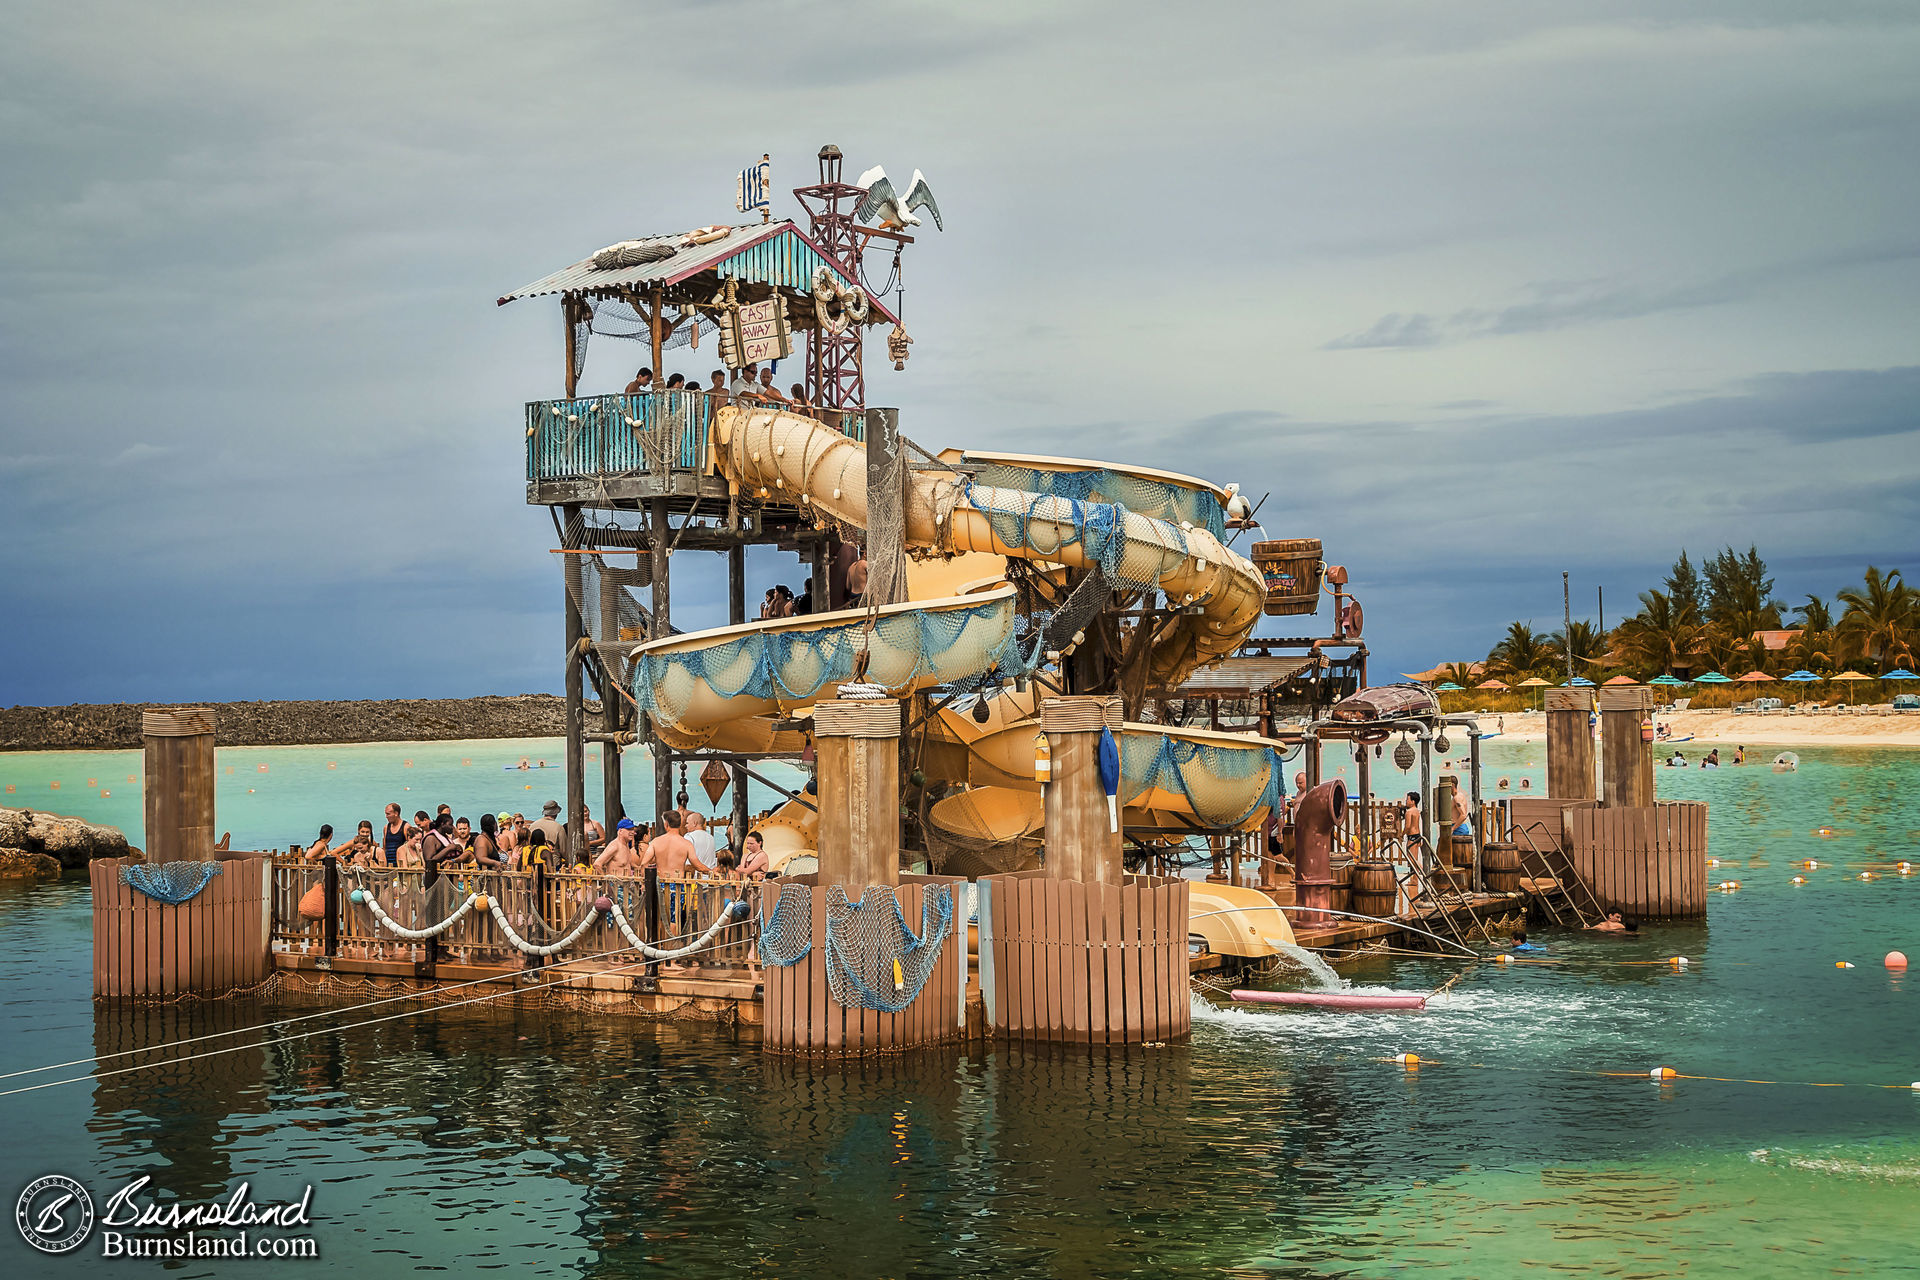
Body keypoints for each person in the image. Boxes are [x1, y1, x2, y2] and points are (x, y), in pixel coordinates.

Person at [382, 803, 411, 867]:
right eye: (386, 814)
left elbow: (410, 846)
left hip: (401, 864)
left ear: (396, 813)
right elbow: (384, 848)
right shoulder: (386, 827)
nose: (386, 816)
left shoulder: (406, 827)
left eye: (388, 814)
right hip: (388, 864)